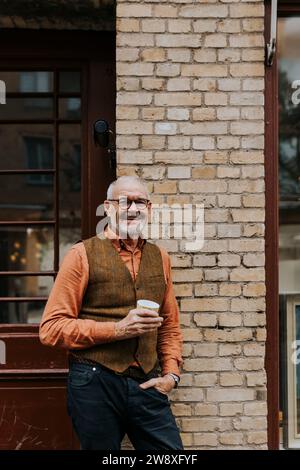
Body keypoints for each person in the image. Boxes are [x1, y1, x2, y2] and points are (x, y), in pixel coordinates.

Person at [39, 175, 184, 450]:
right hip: (95, 381)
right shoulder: (81, 255)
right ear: (108, 208)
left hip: (148, 382)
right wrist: (117, 330)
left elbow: (169, 326)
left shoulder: (160, 257)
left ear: (149, 208)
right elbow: (51, 328)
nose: (132, 208)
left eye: (139, 202)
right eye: (124, 201)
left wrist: (171, 375)